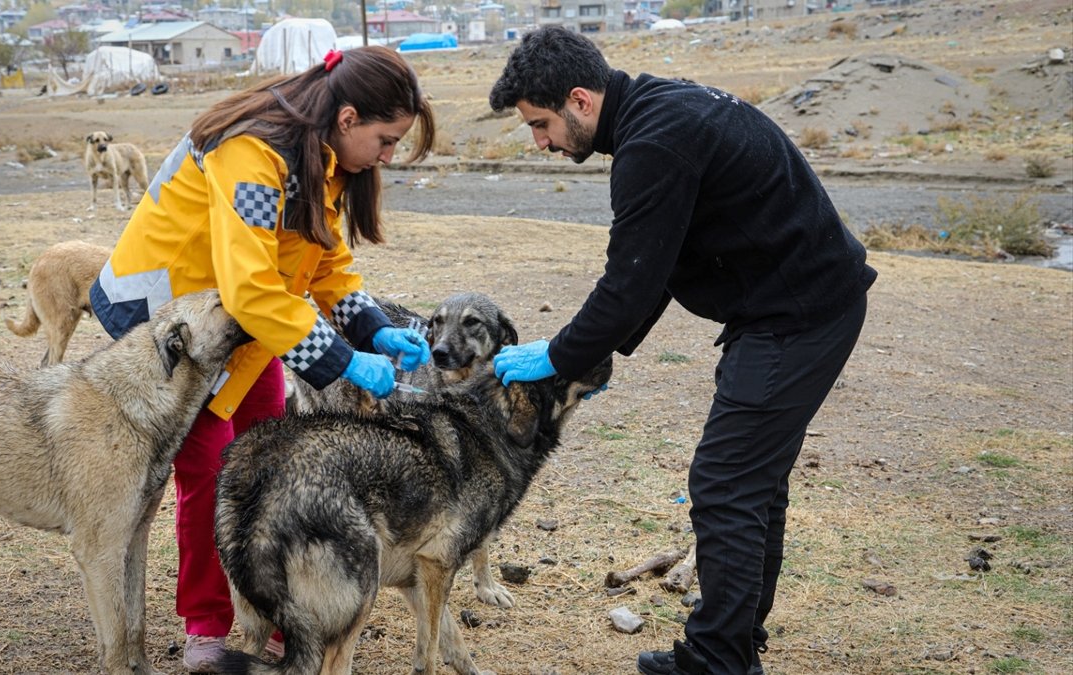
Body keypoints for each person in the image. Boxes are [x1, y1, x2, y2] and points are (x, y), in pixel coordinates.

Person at [489, 27, 876, 675]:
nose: (541, 142)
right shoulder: (657, 113)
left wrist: (558, 356)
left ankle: (719, 660)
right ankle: (731, 641)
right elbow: (662, 261)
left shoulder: (653, 142)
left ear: (580, 100)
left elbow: (629, 279)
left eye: (540, 124)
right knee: (752, 485)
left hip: (798, 316)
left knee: (725, 484)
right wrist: (597, 354)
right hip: (788, 308)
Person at [88, 46, 435, 673]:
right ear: (350, 118)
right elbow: (250, 287)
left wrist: (375, 328)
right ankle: (206, 625)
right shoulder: (252, 154)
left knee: (276, 462)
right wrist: (344, 362)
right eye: (387, 141)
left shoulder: (324, 158)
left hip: (245, 331)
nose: (389, 157)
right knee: (211, 473)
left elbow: (321, 260)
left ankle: (278, 609)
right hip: (175, 329)